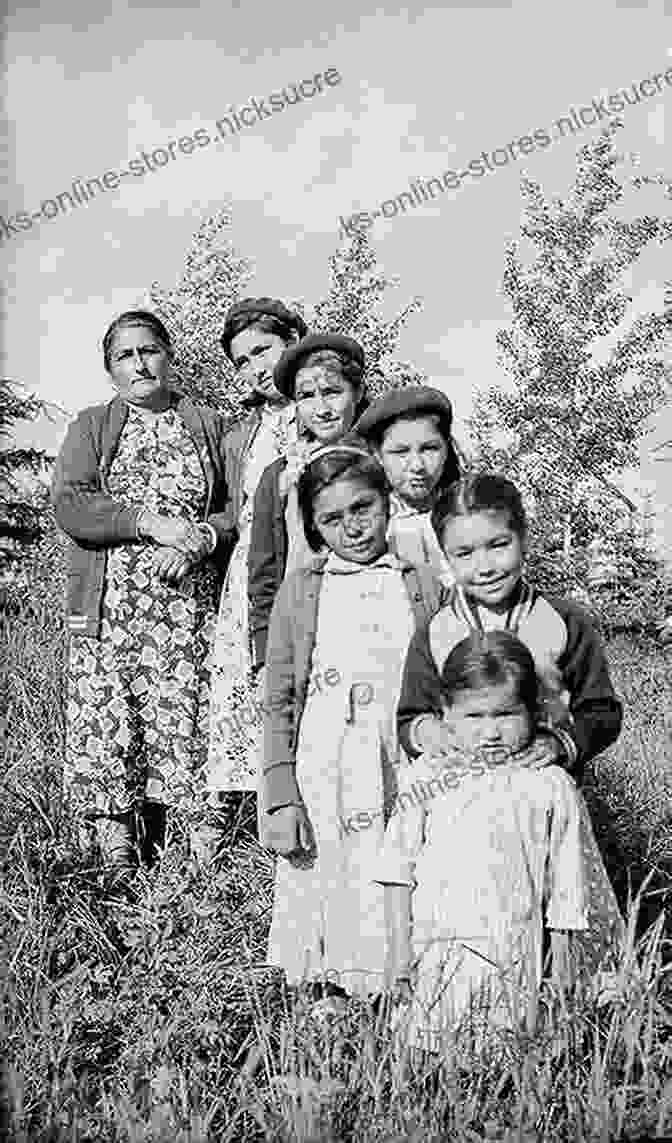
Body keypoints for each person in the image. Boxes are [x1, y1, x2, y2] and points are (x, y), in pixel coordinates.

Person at [260, 444, 449, 1010]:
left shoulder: (418, 579)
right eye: (333, 519)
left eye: (363, 508)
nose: (352, 527)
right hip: (326, 764)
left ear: (386, 502)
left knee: (400, 864)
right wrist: (280, 794)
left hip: (402, 759)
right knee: (330, 870)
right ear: (315, 528)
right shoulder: (304, 587)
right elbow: (279, 697)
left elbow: (442, 673)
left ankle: (401, 980)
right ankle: (332, 989)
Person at [52, 310, 234, 882]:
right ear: (110, 369)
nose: (140, 363)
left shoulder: (207, 424)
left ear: (168, 355)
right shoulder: (91, 426)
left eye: (149, 350)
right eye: (125, 355)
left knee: (188, 723)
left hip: (188, 613)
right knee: (112, 726)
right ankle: (119, 868)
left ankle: (202, 869)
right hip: (109, 612)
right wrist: (150, 523)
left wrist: (202, 538)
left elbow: (236, 509)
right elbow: (71, 503)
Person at [376, 630, 622, 1052]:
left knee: (508, 1059)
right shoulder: (427, 777)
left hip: (515, 954)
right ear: (446, 712)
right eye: (474, 717)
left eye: (506, 715)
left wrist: (560, 973)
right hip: (434, 955)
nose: (490, 732)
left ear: (533, 711)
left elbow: (567, 889)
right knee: (433, 1063)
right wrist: (398, 953)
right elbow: (397, 872)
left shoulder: (549, 785)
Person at [397, 472, 623, 784]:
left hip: (543, 789)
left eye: (498, 545)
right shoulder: (435, 631)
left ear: (523, 538)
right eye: (464, 553)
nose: (485, 567)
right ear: (445, 556)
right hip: (460, 793)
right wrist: (427, 731)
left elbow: (603, 712)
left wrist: (560, 743)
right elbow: (409, 717)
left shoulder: (565, 620)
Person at [205, 298, 307, 828]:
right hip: (251, 575)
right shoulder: (241, 434)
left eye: (263, 351)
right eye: (241, 362)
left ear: (293, 341)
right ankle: (254, 823)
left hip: (308, 560)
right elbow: (232, 513)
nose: (255, 368)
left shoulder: (322, 408)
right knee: (248, 693)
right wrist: (202, 535)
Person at [247, 333, 369, 675]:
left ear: (357, 393)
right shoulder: (281, 474)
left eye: (332, 392)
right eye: (307, 396)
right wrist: (267, 653)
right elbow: (264, 568)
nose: (322, 408)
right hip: (307, 625)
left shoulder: (383, 459)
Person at [354, 386, 461, 584]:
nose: (418, 466)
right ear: (378, 455)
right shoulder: (368, 526)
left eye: (429, 449)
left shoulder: (465, 512)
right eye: (401, 452)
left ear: (446, 448)